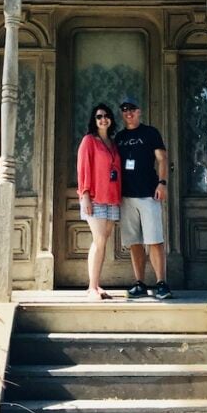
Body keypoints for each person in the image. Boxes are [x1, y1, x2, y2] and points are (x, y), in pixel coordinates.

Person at [115, 96, 172, 300]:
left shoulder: (150, 133)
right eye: (124, 109)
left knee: (155, 239)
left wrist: (162, 183)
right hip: (125, 197)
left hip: (149, 194)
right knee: (134, 242)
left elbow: (162, 158)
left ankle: (161, 283)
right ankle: (139, 282)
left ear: (140, 111)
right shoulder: (119, 138)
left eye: (132, 109)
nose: (128, 113)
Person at [77, 102, 122, 301]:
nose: (103, 119)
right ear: (94, 121)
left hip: (112, 198)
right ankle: (92, 287)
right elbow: (83, 168)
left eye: (106, 115)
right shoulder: (89, 141)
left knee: (104, 242)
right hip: (94, 198)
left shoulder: (113, 143)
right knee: (99, 240)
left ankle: (97, 283)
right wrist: (84, 194)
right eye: (99, 116)